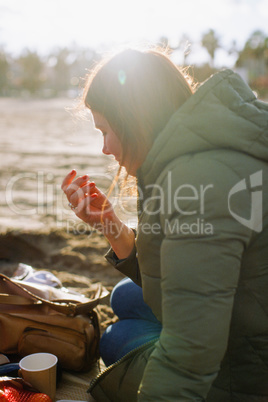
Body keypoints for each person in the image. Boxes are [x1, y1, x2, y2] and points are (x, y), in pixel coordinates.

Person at [61, 47, 268, 401]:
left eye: (106, 131)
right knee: (124, 297)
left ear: (135, 118)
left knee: (114, 340)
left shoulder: (198, 185)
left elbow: (190, 355)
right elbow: (181, 267)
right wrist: (109, 222)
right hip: (242, 308)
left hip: (245, 369)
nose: (105, 149)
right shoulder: (200, 146)